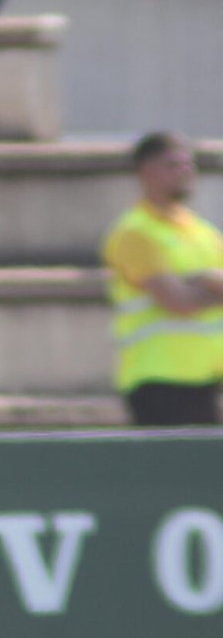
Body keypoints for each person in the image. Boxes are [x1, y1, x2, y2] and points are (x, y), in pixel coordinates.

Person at [101, 131, 223, 426]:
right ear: (147, 172)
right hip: (158, 378)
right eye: (173, 165)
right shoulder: (135, 232)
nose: (185, 172)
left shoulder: (202, 231)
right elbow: (176, 301)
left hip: (208, 376)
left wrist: (201, 280)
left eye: (188, 165)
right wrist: (210, 287)